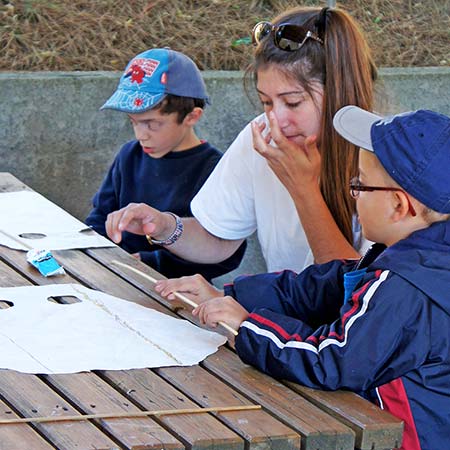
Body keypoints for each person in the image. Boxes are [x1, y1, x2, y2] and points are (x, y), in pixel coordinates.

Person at [155, 107, 450, 450]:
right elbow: (324, 288)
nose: (352, 194)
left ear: (400, 206)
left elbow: (332, 359)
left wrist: (247, 328)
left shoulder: (407, 286)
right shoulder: (422, 256)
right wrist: (228, 296)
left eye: (359, 184)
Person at [105, 6, 378, 273]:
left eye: (293, 102)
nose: (277, 120)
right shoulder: (261, 134)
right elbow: (218, 239)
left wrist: (304, 190)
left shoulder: (385, 157)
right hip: (283, 316)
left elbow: (359, 291)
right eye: (266, 102)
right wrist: (164, 227)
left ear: (340, 92)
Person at [86, 48, 246, 281]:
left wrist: (153, 263)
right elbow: (100, 216)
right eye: (134, 122)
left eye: (152, 124)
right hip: (117, 274)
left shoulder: (214, 169)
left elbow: (226, 253)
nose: (142, 135)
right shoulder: (129, 155)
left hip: (177, 291)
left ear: (192, 116)